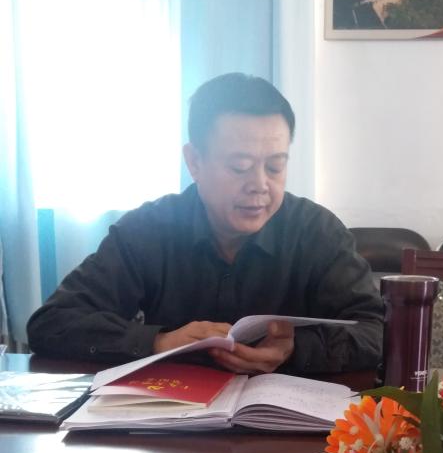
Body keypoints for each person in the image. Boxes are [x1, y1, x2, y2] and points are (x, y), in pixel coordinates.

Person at [27, 73, 383, 374]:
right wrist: (157, 341)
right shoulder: (149, 229)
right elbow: (52, 323)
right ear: (194, 161)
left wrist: (295, 349)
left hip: (285, 424)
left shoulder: (318, 232)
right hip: (170, 417)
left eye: (275, 166)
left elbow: (378, 329)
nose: (260, 185)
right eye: (240, 167)